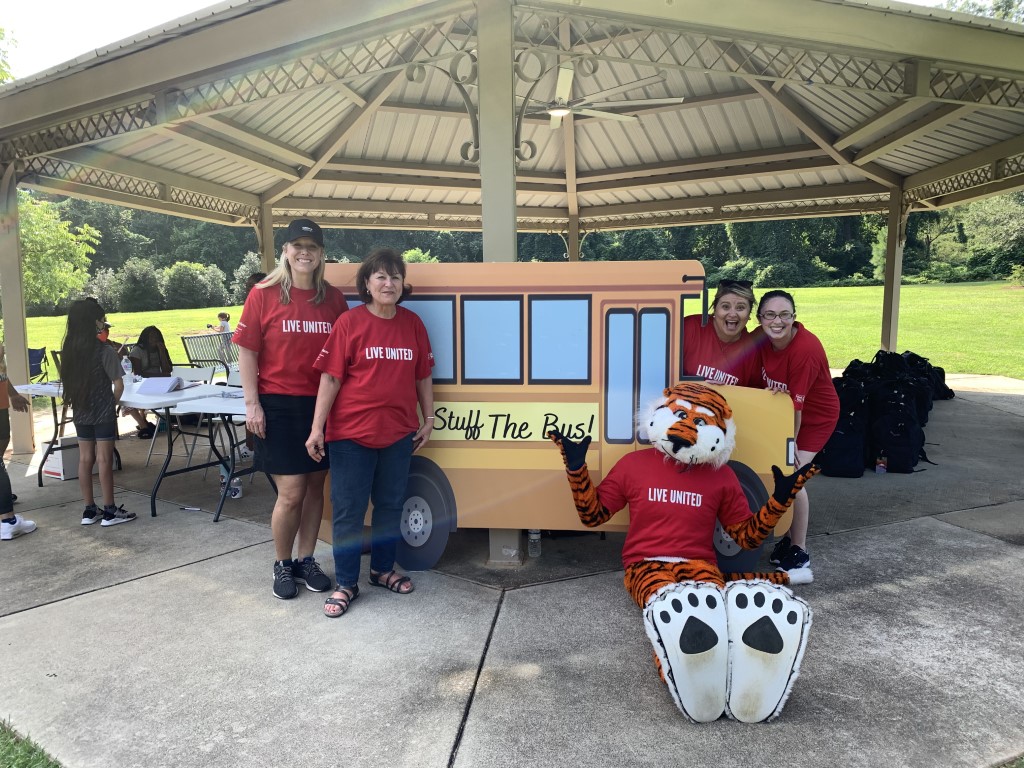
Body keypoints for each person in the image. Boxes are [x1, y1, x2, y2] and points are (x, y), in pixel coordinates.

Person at [306, 248, 435, 619]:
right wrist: (317, 429)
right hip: (350, 436)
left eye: (395, 277)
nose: (388, 283)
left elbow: (423, 375)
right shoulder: (349, 323)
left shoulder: (412, 324)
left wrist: (428, 419)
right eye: (380, 277)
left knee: (390, 506)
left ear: (401, 285)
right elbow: (330, 377)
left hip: (398, 434)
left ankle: (382, 570)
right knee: (348, 512)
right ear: (366, 284)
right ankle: (346, 582)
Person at [234, 218, 348, 600]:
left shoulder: (332, 298)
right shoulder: (263, 294)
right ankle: (282, 565)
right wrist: (252, 405)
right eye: (297, 246)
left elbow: (342, 357)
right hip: (278, 403)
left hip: (321, 405)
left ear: (321, 255)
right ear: (285, 251)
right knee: (292, 491)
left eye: (312, 247)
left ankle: (306, 560)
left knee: (317, 486)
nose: (305, 253)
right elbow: (247, 351)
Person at [757, 290, 838, 584]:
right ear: (760, 318)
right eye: (770, 315)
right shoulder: (760, 338)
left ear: (794, 317)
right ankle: (787, 539)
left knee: (792, 476)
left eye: (784, 315)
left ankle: (799, 548)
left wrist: (789, 444)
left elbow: (798, 407)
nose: (777, 321)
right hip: (785, 412)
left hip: (813, 418)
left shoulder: (805, 349)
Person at [59, 299, 136, 526]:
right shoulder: (105, 351)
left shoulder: (69, 352)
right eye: (102, 319)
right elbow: (118, 385)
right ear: (95, 322)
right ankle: (110, 510)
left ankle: (89, 510)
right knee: (104, 459)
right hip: (103, 411)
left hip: (81, 410)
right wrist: (114, 403)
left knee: (85, 459)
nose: (104, 324)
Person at [682, 279, 761, 387]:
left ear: (749, 313)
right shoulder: (691, 327)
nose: (732, 314)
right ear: (715, 309)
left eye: (740, 308)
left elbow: (756, 393)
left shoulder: (751, 350)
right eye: (725, 306)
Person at [0, 341, 31, 515]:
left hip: (1, 403)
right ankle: (7, 517)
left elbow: (1, 371)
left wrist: (12, 394)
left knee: (4, 441)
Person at [127, 326, 174, 438]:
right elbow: (138, 373)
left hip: (159, 382)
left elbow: (168, 370)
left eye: (157, 337)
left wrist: (162, 352)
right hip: (143, 382)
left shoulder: (161, 349)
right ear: (145, 338)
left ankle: (163, 418)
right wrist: (160, 376)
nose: (154, 339)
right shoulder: (137, 350)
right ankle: (143, 422)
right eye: (151, 337)